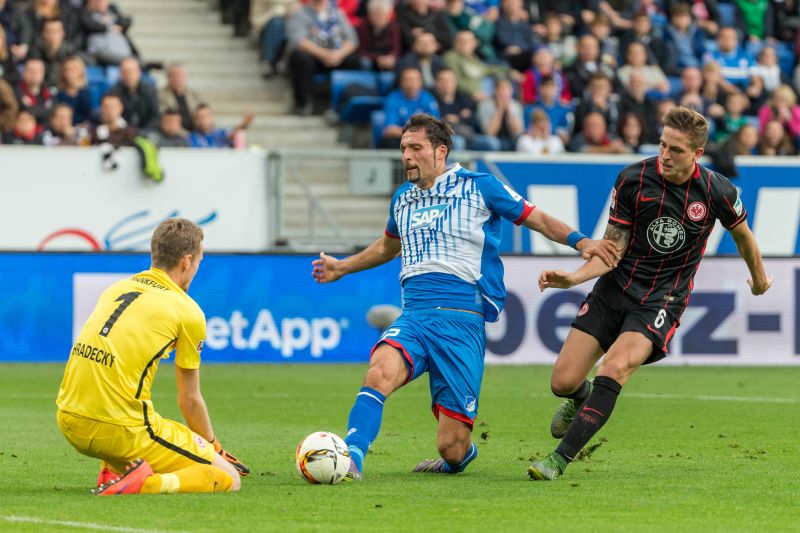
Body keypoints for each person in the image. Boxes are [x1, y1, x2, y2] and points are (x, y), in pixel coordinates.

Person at [311, 113, 618, 481]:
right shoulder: (403, 199)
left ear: (440, 151)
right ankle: (352, 460)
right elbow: (386, 247)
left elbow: (536, 218)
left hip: (462, 322)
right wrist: (342, 267)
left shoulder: (480, 186)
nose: (406, 155)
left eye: (415, 147)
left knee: (451, 447)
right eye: (403, 148)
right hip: (414, 315)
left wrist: (582, 242)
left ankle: (462, 454)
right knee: (379, 372)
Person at [528, 105, 773, 481]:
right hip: (615, 289)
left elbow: (744, 236)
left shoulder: (716, 190)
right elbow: (613, 249)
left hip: (662, 300)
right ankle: (581, 397)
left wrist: (758, 278)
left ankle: (558, 460)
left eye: (676, 149)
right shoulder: (632, 180)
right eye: (662, 145)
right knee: (562, 382)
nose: (665, 155)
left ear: (697, 154)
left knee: (616, 366)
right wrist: (574, 278)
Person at [56, 218, 249, 495]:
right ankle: (146, 484)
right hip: (120, 432)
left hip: (68, 420)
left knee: (123, 393)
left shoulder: (116, 289)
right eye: (198, 263)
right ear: (186, 261)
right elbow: (189, 400)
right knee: (227, 476)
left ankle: (113, 469)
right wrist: (213, 446)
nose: (196, 270)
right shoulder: (188, 311)